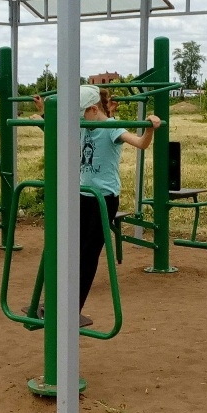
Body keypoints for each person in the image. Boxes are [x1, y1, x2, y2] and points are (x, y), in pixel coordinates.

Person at [32, 85, 161, 314]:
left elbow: (141, 143)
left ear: (93, 109)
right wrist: (44, 112)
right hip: (82, 195)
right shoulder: (84, 126)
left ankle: (73, 308)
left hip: (103, 199)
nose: (79, 122)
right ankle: (55, 303)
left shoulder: (111, 128)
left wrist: (151, 127)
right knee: (68, 249)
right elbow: (58, 136)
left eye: (81, 116)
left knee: (88, 254)